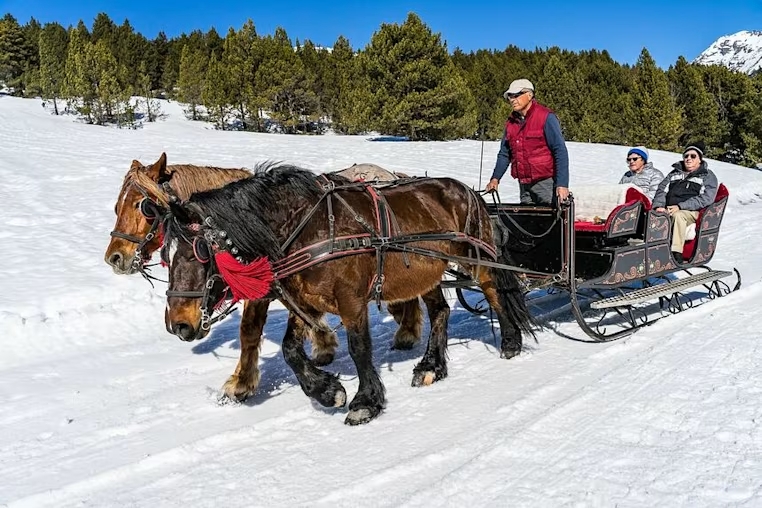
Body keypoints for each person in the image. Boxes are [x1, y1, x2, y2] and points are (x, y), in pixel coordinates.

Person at [485, 78, 570, 205]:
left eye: (517, 95)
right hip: (524, 185)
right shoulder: (511, 123)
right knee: (527, 221)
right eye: (510, 96)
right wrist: (495, 179)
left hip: (546, 184)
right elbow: (505, 153)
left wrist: (562, 184)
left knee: (549, 222)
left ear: (529, 95)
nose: (513, 100)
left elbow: (560, 151)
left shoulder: (546, 117)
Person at [652, 141, 718, 264]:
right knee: (652, 215)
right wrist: (659, 206)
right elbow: (662, 190)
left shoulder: (707, 176)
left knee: (679, 216)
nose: (688, 159)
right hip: (670, 208)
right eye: (686, 156)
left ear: (700, 159)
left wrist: (681, 206)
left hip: (693, 212)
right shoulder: (674, 173)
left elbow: (706, 198)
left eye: (693, 156)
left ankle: (676, 253)